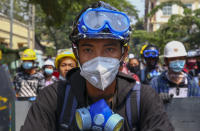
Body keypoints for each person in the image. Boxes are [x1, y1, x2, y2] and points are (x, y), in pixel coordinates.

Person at [21, 1, 173, 131]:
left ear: (124, 53)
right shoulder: (54, 98)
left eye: (109, 49)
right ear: (76, 52)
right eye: (88, 49)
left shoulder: (143, 99)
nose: (99, 60)